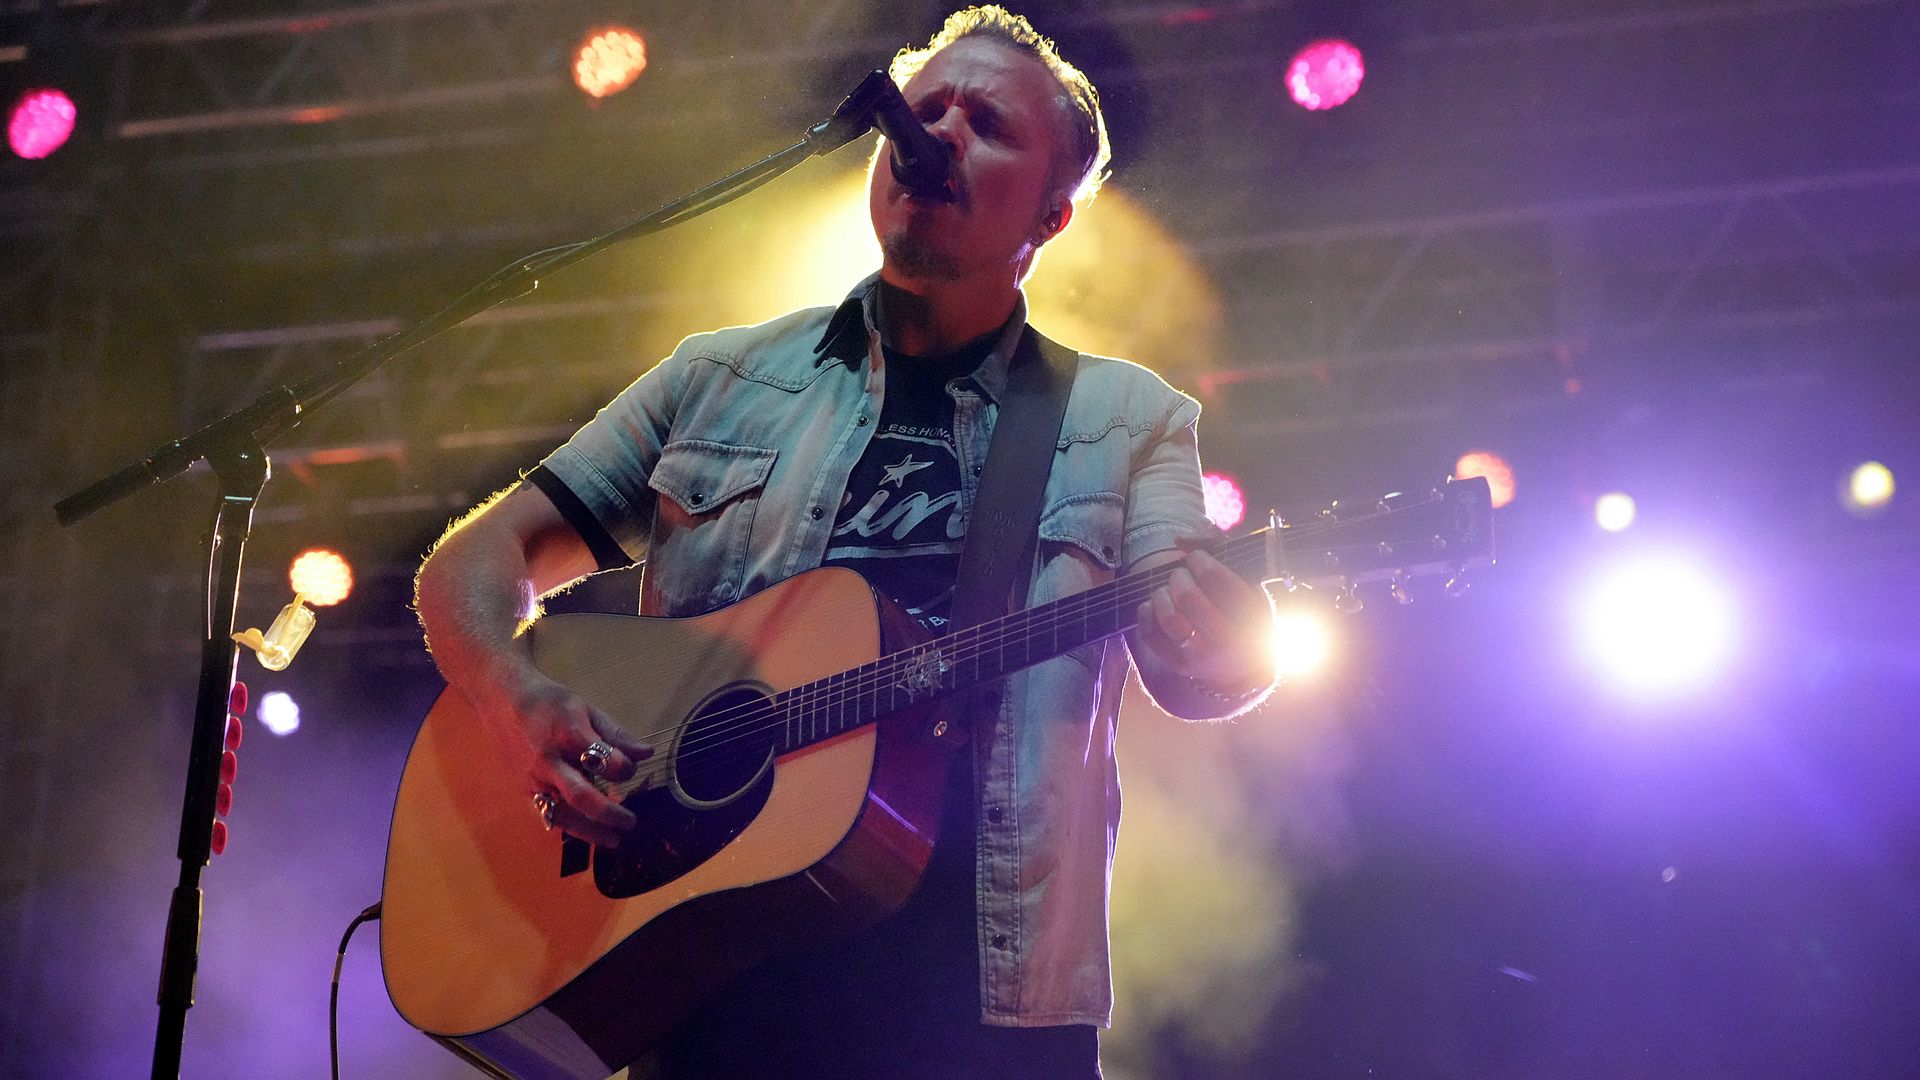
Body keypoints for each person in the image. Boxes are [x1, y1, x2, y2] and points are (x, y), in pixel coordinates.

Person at [412, 7, 1278, 1077]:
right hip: (716, 992)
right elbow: (473, 565)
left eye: (989, 124)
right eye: (926, 110)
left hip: (980, 1011)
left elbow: (1195, 659)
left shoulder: (1129, 421)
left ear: (1052, 217)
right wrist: (514, 692)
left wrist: (1230, 641)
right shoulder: (716, 379)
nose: (943, 133)